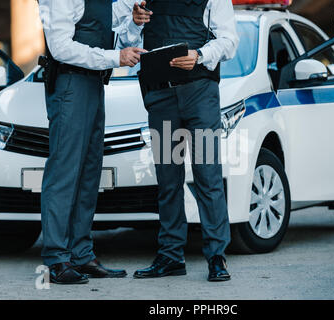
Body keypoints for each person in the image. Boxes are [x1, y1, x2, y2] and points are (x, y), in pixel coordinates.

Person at [38, 0, 151, 285]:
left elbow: (108, 28)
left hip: (92, 84)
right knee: (64, 173)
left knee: (89, 173)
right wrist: (115, 57)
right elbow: (61, 47)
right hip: (69, 85)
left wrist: (134, 21)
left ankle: (81, 254)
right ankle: (56, 259)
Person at [133, 0, 239, 282]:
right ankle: (170, 256)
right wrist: (134, 22)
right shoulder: (143, 0)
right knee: (168, 179)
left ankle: (217, 256)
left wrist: (200, 54)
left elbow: (229, 41)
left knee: (207, 175)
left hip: (199, 95)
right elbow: (128, 42)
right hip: (161, 96)